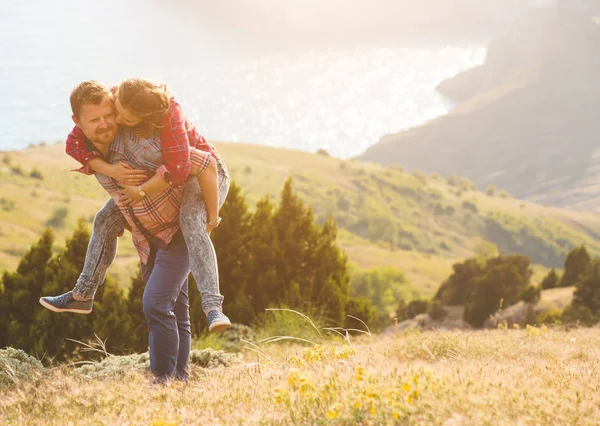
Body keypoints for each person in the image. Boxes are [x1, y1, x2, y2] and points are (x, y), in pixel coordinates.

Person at [39, 79, 231, 332]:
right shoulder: (114, 98)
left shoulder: (164, 124)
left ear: (142, 118)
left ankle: (213, 308)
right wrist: (110, 169)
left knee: (190, 221)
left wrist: (212, 218)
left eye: (120, 118)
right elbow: (74, 143)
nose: (113, 121)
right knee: (105, 219)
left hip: (205, 175)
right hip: (171, 176)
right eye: (111, 113)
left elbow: (193, 167)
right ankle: (83, 294)